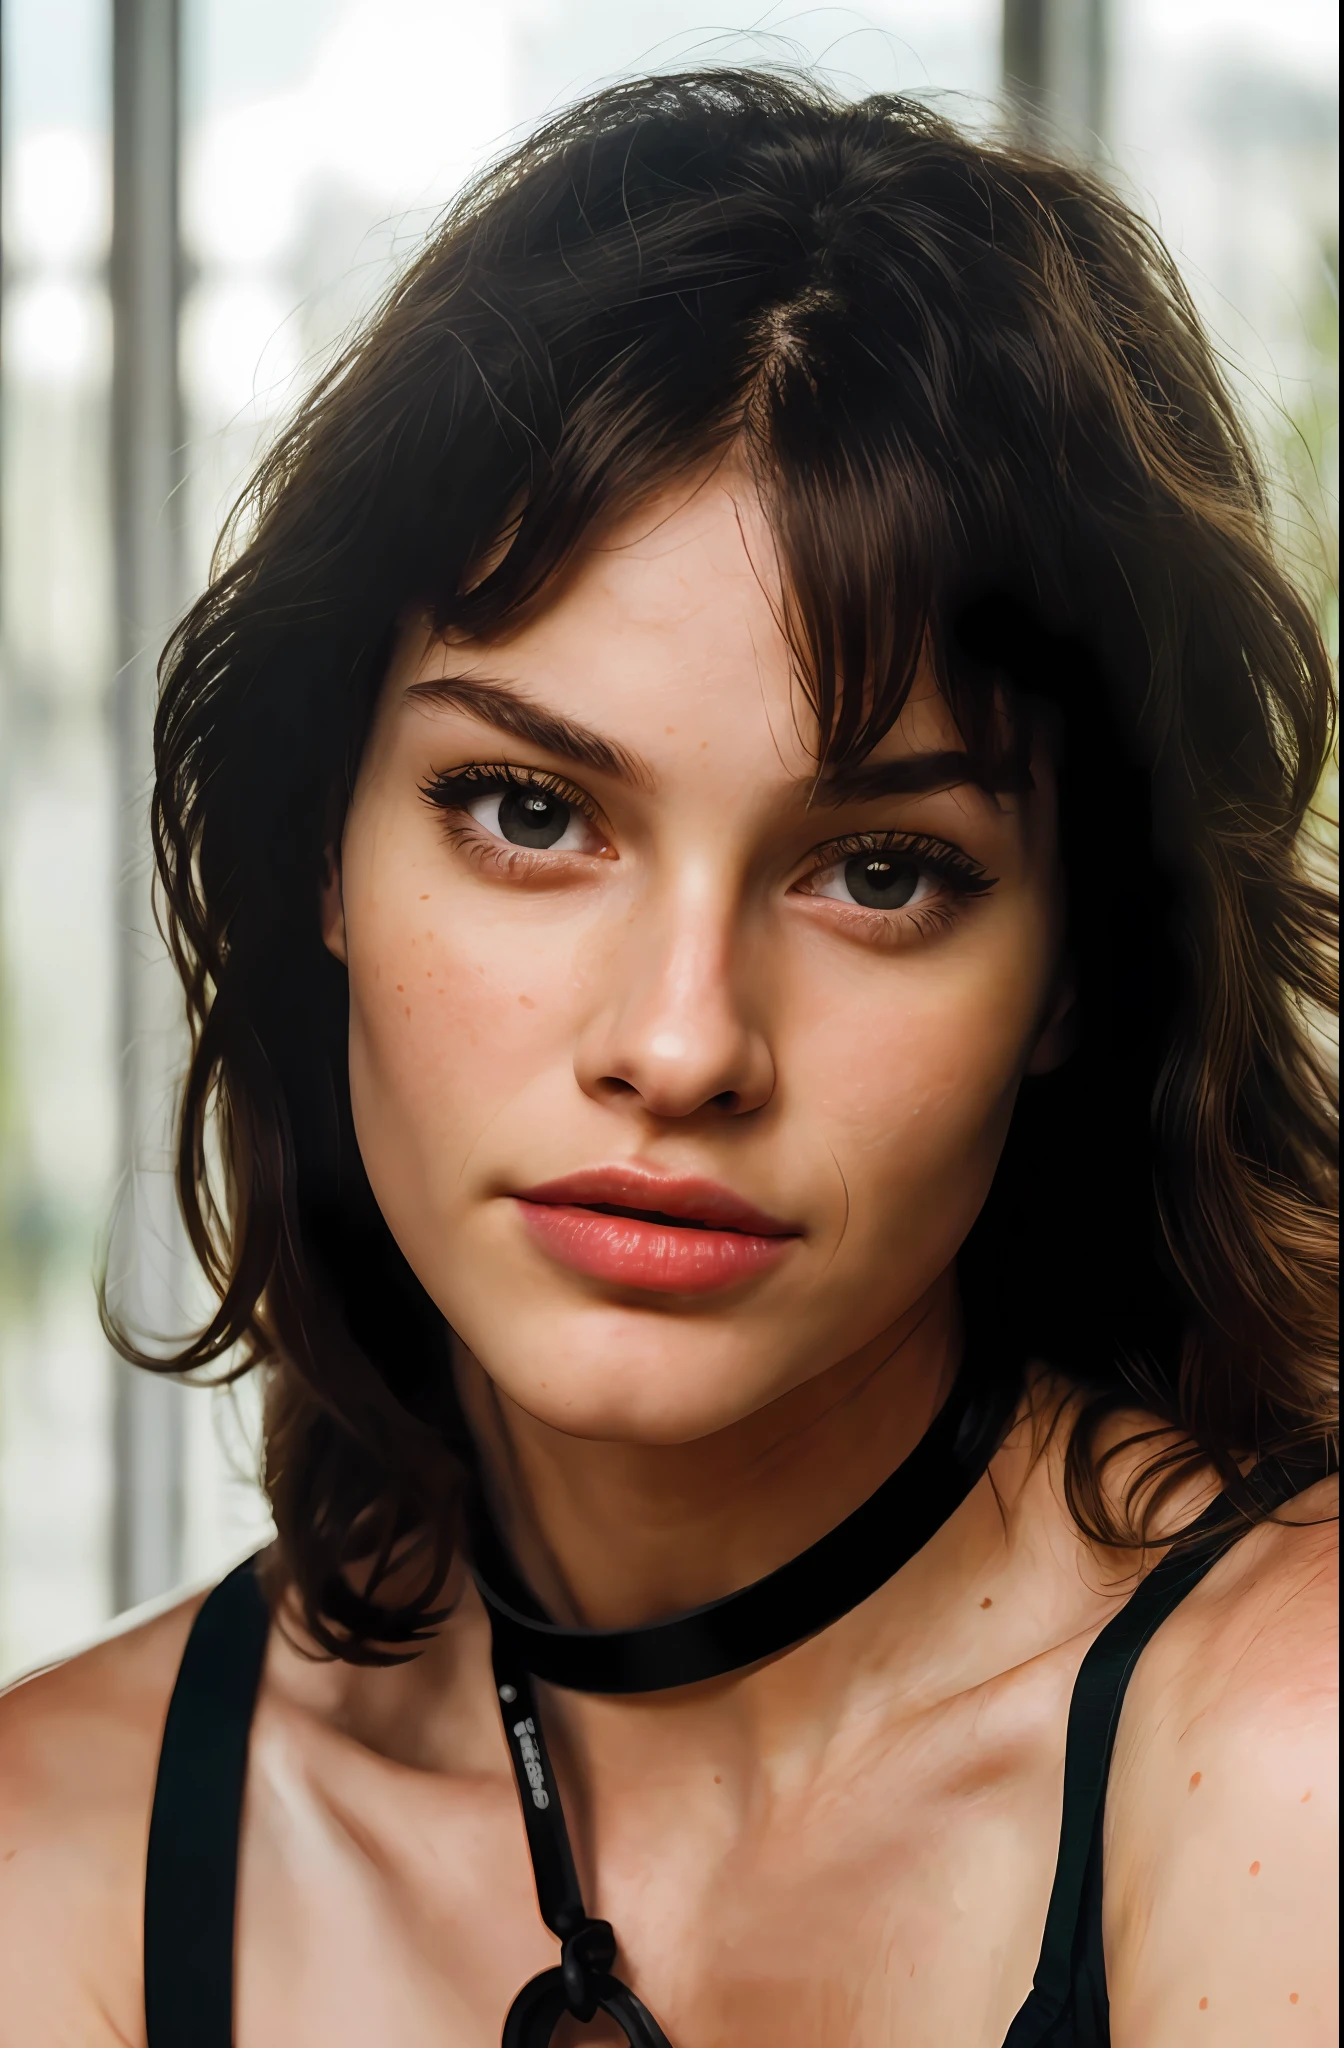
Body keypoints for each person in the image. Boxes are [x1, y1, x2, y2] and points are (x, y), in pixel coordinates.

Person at [0, 71, 1336, 2048]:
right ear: (319, 861)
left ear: (1076, 969)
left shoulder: (1288, 1747)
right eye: (530, 811)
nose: (682, 1042)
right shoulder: (63, 1860)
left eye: (881, 869)